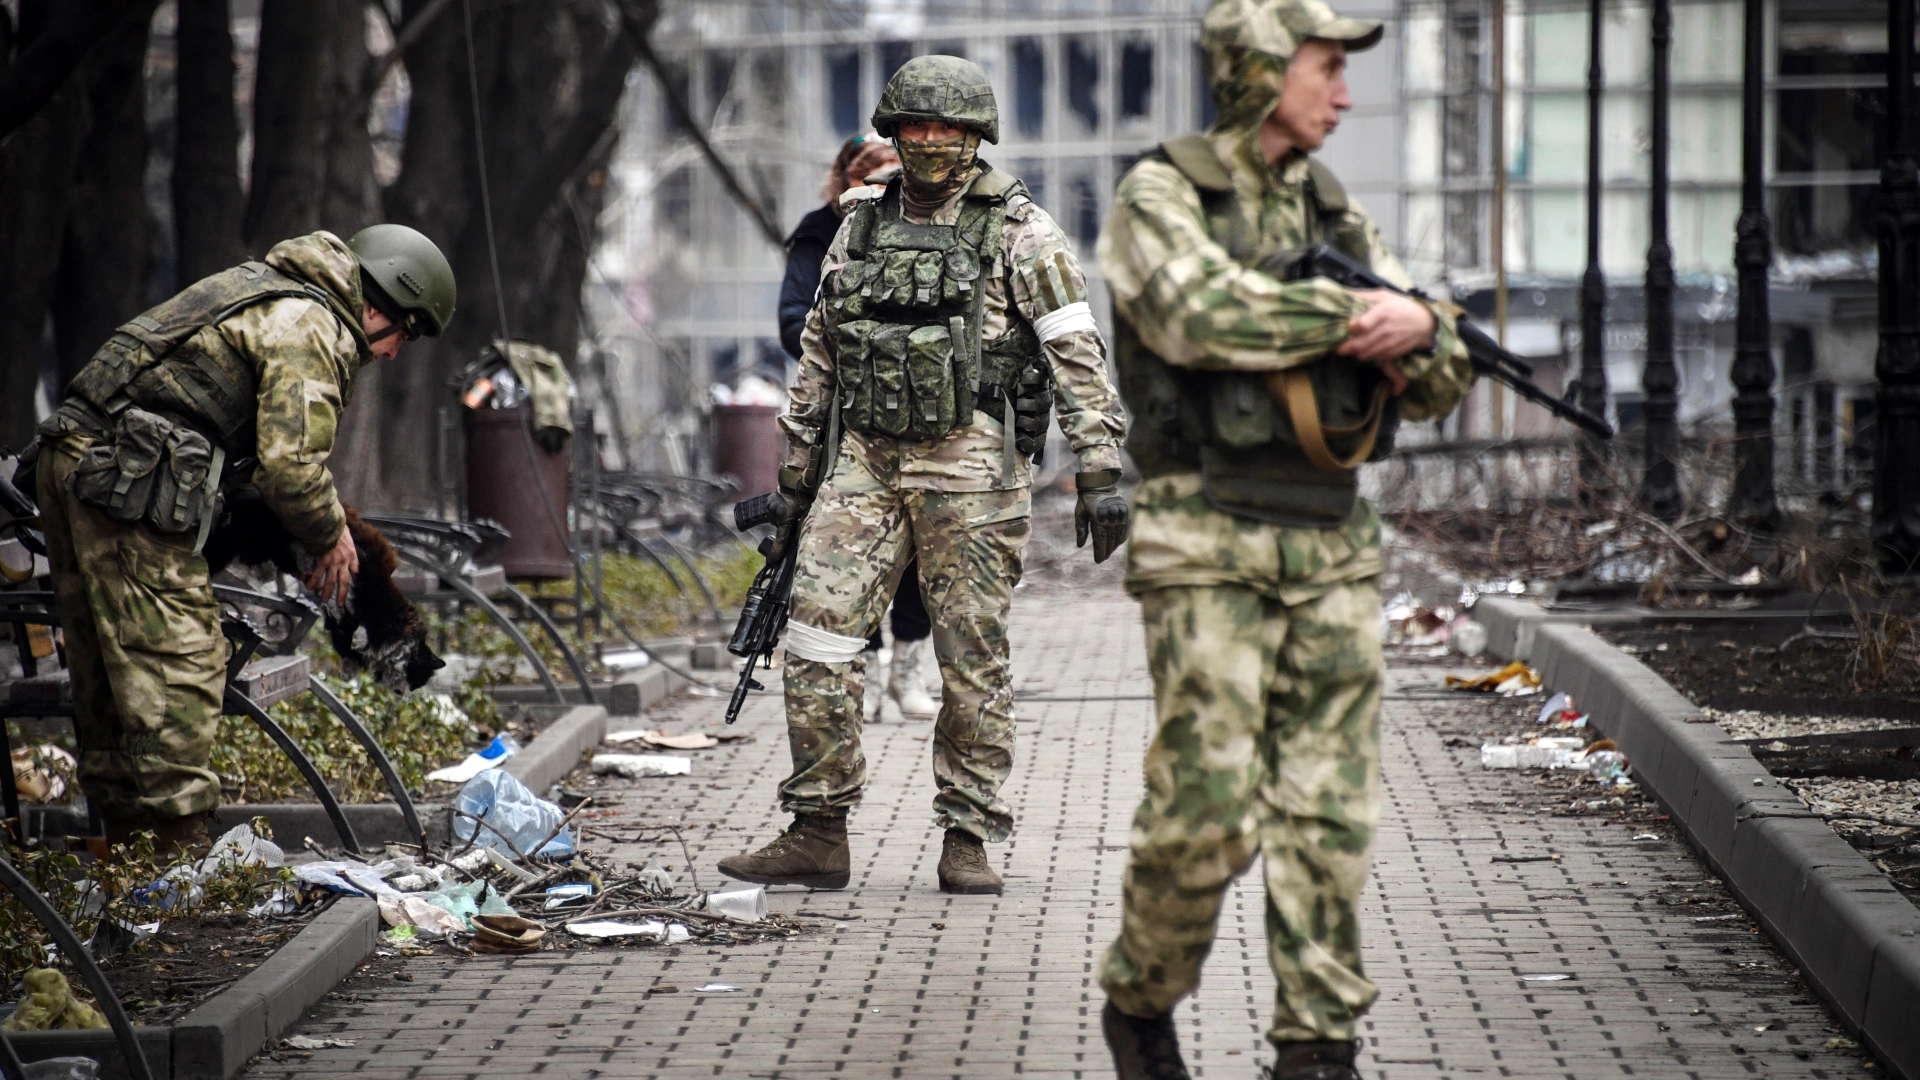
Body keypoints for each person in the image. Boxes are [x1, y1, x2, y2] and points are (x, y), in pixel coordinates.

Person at [1092, 1, 1473, 1077]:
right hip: (1204, 539)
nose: (1344, 95)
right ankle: (1141, 998)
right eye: (1325, 70)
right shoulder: (1162, 192)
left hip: (1331, 543)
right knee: (1208, 810)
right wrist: (1366, 321)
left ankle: (1318, 1044)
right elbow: (1195, 316)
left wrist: (1425, 328)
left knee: (1328, 815)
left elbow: (1440, 373)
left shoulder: (1335, 212)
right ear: (1261, 72)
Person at [718, 55, 1130, 896]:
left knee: (971, 659)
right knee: (816, 640)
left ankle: (968, 836)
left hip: (973, 472)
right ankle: (818, 829)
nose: (932, 140)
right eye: (916, 125)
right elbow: (821, 355)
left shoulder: (1021, 231)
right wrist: (796, 478)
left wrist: (1099, 466)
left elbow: (1075, 351)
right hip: (865, 465)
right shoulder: (860, 225)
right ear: (893, 132)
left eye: (949, 127)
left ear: (977, 136)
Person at [30, 225, 456, 857]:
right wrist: (331, 534)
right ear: (382, 307)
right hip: (124, 482)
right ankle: (172, 864)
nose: (393, 354)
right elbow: (292, 470)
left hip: (82, 465)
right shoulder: (313, 324)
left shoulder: (268, 289)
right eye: (406, 335)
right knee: (177, 670)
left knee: (112, 683)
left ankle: (125, 861)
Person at [778, 132, 938, 724]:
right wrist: (855, 347)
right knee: (849, 552)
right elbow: (794, 321)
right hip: (845, 417)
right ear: (844, 179)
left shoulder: (932, 225)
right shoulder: (822, 231)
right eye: (866, 174)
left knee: (923, 547)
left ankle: (908, 668)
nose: (880, 185)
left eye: (890, 171)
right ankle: (865, 669)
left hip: (923, 416)